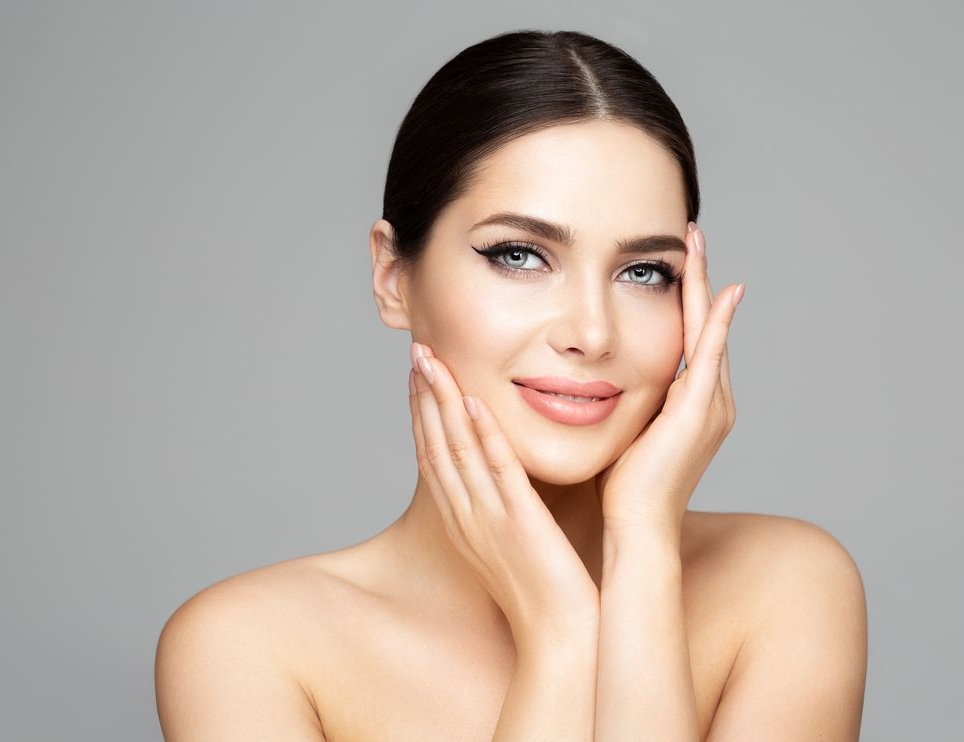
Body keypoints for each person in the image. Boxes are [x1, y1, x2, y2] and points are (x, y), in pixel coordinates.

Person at [154, 29, 868, 741]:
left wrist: (643, 549)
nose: (591, 332)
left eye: (645, 271)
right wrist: (559, 636)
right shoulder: (249, 649)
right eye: (520, 256)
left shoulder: (787, 587)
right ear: (392, 276)